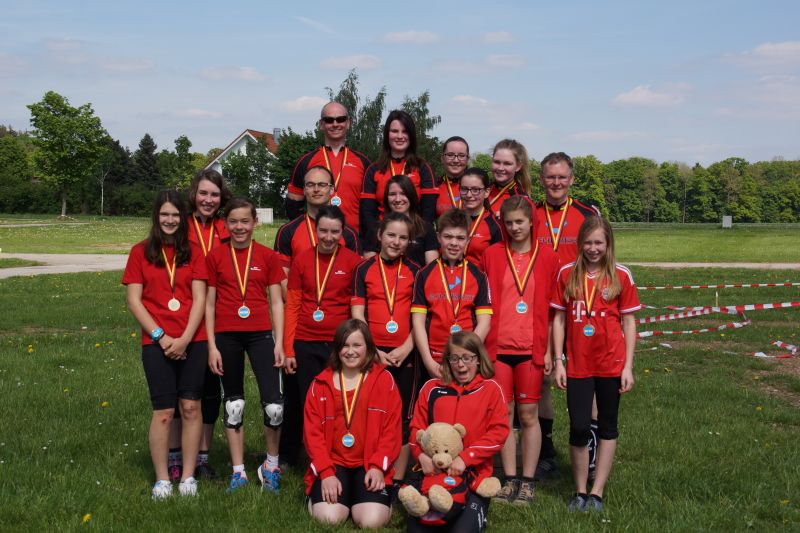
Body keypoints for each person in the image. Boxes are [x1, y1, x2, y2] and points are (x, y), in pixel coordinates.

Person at [550, 217, 640, 512]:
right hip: (578, 364)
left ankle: (597, 492)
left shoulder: (621, 275)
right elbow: (559, 320)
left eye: (598, 242)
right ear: (580, 244)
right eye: (587, 242)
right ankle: (579, 490)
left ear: (608, 243)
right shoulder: (567, 273)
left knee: (607, 427)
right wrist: (558, 361)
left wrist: (628, 367)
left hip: (611, 364)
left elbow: (628, 322)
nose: (593, 248)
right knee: (578, 427)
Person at [122, 190, 208, 499]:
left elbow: (200, 299)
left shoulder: (194, 252)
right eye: (164, 214)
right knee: (163, 412)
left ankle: (187, 476)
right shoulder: (139, 252)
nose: (170, 220)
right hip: (156, 342)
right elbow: (134, 301)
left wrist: (184, 339)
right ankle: (162, 479)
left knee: (191, 407)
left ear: (183, 219)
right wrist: (162, 337)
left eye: (175, 215)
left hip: (193, 340)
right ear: (156, 217)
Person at [481, 196, 560, 505]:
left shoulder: (548, 256)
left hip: (531, 348)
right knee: (503, 415)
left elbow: (552, 311)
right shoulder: (492, 254)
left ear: (531, 222)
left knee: (529, 415)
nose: (514, 228)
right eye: (509, 222)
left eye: (520, 222)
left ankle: (527, 482)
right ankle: (509, 478)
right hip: (498, 348)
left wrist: (550, 351)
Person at [205, 197, 286, 493]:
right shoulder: (215, 256)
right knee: (234, 405)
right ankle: (238, 472)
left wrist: (280, 341)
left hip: (261, 334)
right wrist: (212, 346)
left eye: (244, 221)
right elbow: (209, 304)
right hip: (226, 335)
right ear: (225, 224)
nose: (239, 227)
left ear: (255, 222)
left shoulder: (267, 256)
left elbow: (276, 302)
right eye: (233, 221)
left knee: (274, 407)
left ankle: (271, 466)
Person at [534, 152, 601, 481]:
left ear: (571, 179)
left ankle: (590, 450)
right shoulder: (532, 214)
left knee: (587, 380)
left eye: (562, 177)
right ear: (542, 179)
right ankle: (546, 453)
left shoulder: (587, 214)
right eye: (550, 177)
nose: (556, 183)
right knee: (543, 380)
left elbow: (601, 254)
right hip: (542, 310)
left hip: (579, 309)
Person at [283, 205, 363, 462]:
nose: (329, 237)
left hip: (339, 345)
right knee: (303, 400)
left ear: (343, 232)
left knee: (337, 401)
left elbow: (356, 306)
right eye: (323, 231)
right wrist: (288, 349)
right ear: (315, 230)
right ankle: (296, 455)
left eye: (334, 232)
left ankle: (335, 453)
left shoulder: (353, 262)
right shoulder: (302, 260)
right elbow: (292, 305)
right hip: (304, 341)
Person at [304, 319, 402, 528]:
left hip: (369, 463)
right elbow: (312, 435)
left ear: (368, 348)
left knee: (371, 522)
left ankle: (367, 500)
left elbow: (391, 431)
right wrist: (326, 473)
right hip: (333, 462)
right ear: (337, 349)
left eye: (357, 345)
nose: (350, 351)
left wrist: (378, 466)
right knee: (329, 518)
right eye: (345, 345)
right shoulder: (320, 384)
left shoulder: (384, 380)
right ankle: (325, 498)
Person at [407, 331, 509, 532]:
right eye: (454, 358)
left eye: (467, 358)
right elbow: (415, 429)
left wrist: (465, 458)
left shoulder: (491, 389)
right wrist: (421, 457)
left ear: (478, 359)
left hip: (472, 477)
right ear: (447, 361)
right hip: (433, 474)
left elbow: (499, 433)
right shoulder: (431, 388)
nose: (461, 365)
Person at [352, 212, 421, 485]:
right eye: (391, 235)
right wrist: (372, 351)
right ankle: (367, 470)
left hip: (406, 353)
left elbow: (421, 317)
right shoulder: (363, 269)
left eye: (403, 238)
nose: (396, 242)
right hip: (372, 352)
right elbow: (358, 314)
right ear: (380, 235)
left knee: (403, 417)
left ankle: (398, 480)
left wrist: (407, 347)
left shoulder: (416, 271)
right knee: (368, 412)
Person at [178, 169, 232, 482]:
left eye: (214, 194)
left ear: (221, 198)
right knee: (184, 390)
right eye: (203, 193)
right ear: (194, 195)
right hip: (184, 313)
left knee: (211, 389)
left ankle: (202, 457)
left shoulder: (226, 227)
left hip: (217, 315)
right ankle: (176, 454)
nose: (208, 200)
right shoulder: (180, 225)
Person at [411, 209, 492, 381]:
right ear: (438, 237)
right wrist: (428, 361)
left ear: (468, 240)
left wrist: (466, 356)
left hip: (467, 359)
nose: (454, 243)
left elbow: (484, 322)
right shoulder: (424, 274)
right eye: (448, 237)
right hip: (434, 358)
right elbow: (418, 321)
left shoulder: (478, 275)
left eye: (460, 238)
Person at [285, 102, 371, 231]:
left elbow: (370, 207)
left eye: (340, 119)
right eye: (329, 120)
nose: (335, 124)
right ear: (321, 124)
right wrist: (308, 232)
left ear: (348, 122)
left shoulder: (363, 162)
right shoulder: (306, 161)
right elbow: (293, 205)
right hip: (318, 237)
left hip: (354, 237)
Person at [360, 110, 437, 251]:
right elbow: (367, 213)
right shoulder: (374, 169)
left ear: (411, 135)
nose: (400, 136)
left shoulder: (422, 167)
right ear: (387, 135)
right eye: (394, 131)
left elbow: (428, 212)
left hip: (413, 238)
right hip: (382, 239)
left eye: (405, 131)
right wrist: (379, 236)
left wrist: (415, 238)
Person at [275, 166, 360, 269]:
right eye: (310, 185)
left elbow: (356, 274)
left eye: (322, 185)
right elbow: (282, 274)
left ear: (332, 189)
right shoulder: (287, 231)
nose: (316, 189)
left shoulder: (349, 234)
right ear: (304, 190)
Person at [368, 174, 438, 266]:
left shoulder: (425, 229)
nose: (398, 199)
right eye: (392, 194)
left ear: (411, 196)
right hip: (382, 275)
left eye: (403, 194)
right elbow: (369, 267)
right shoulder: (376, 229)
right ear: (386, 198)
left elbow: (432, 269)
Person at [459, 167, 503, 265]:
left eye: (475, 190)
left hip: (479, 274)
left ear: (486, 192)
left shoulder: (495, 225)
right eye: (464, 189)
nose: (469, 195)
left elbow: (497, 263)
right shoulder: (452, 220)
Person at [487, 139, 531, 218]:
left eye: (507, 164)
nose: (500, 168)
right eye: (497, 162)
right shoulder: (480, 191)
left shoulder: (521, 200)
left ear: (518, 166)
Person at [435, 136, 470, 216]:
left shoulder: (477, 188)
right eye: (450, 155)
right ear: (442, 158)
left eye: (461, 155)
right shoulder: (434, 186)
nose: (456, 160)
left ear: (467, 159)